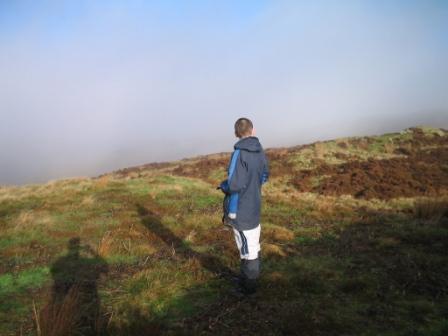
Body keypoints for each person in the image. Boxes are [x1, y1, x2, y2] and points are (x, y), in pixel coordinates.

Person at [219, 117, 269, 294]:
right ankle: (245, 279)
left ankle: (249, 289)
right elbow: (264, 176)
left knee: (249, 250)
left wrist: (223, 185)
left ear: (235, 133)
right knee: (250, 245)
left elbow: (234, 184)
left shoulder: (239, 154)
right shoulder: (260, 150)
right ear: (252, 130)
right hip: (254, 206)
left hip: (241, 211)